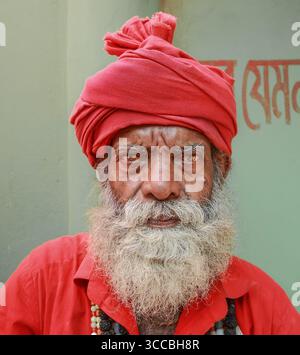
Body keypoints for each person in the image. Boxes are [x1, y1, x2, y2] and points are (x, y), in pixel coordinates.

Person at [0, 12, 299, 335]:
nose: (161, 185)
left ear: (220, 170)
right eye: (134, 158)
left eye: (186, 158)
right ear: (104, 170)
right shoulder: (43, 282)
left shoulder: (263, 308)